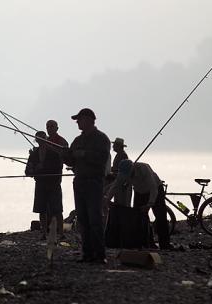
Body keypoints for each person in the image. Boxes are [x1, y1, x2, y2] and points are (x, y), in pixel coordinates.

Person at [62, 108, 110, 264]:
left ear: (89, 119)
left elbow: (102, 159)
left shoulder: (101, 138)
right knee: (82, 219)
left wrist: (83, 154)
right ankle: (87, 253)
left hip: (94, 182)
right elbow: (71, 161)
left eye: (80, 119)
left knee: (95, 218)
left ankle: (100, 254)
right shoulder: (77, 140)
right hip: (79, 182)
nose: (77, 122)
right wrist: (64, 154)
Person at [106, 159, 172, 250]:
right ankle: (146, 243)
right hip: (139, 192)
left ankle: (165, 244)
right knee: (138, 217)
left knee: (161, 217)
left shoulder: (144, 168)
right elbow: (115, 186)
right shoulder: (122, 174)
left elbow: (153, 189)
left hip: (156, 189)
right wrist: (107, 200)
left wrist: (149, 204)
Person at [25, 131, 64, 240]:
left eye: (43, 138)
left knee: (57, 210)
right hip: (40, 184)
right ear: (36, 140)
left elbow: (59, 168)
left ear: (46, 139)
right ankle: (44, 233)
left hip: (53, 184)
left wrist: (42, 168)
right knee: (42, 209)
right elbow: (27, 171)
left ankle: (61, 233)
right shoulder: (33, 154)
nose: (41, 140)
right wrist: (35, 169)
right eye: (39, 138)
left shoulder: (54, 153)